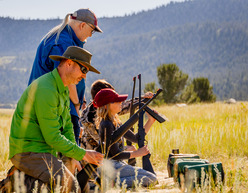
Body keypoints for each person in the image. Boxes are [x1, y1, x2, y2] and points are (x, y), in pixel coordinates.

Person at [9, 46, 103, 192]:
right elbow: (52, 137)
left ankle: (21, 179)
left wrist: (75, 156)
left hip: (45, 152)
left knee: (76, 185)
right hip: (28, 152)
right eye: (83, 70)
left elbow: (67, 128)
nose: (84, 76)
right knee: (71, 187)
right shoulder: (46, 89)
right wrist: (83, 154)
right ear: (69, 63)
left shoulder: (63, 88)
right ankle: (16, 182)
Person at [28, 8, 103, 145]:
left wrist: (82, 98)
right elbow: (67, 78)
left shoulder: (63, 37)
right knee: (69, 154)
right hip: (57, 107)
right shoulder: (63, 42)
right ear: (82, 25)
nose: (91, 35)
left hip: (56, 105)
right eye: (92, 31)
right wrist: (76, 104)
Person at [93, 88, 158, 188]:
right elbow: (115, 155)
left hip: (116, 165)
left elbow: (136, 138)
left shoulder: (115, 122)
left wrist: (151, 121)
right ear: (106, 105)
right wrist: (137, 153)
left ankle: (109, 181)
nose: (121, 103)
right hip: (110, 165)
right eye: (117, 101)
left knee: (150, 176)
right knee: (151, 178)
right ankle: (110, 183)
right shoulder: (106, 124)